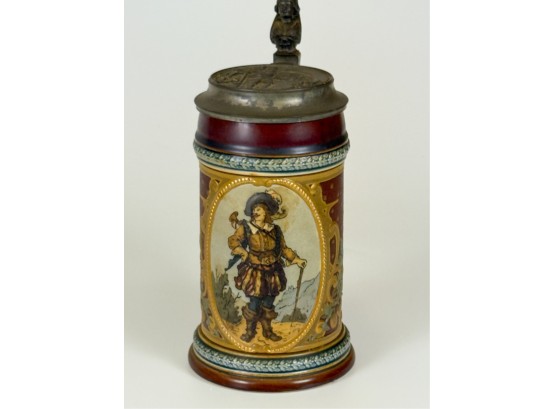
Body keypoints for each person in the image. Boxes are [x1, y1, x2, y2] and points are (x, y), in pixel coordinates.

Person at [228, 190, 307, 342]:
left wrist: (296, 259)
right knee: (255, 301)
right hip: (255, 270)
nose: (255, 212)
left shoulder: (275, 230)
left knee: (269, 301)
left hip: (273, 270)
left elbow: (283, 249)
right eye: (254, 209)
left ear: (266, 211)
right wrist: (243, 252)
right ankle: (250, 331)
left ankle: (267, 331)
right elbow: (233, 240)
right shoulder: (246, 228)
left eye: (259, 209)